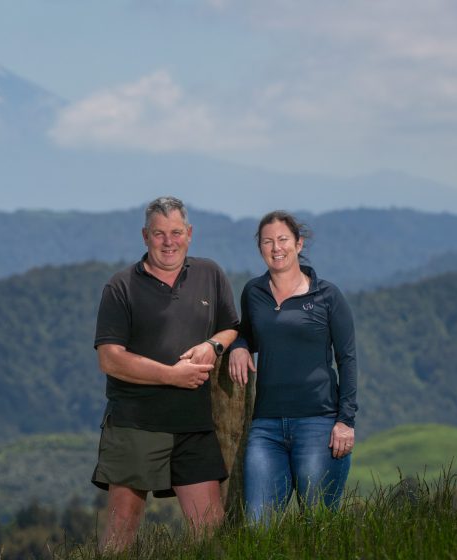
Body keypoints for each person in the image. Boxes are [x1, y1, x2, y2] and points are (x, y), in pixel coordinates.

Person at [91, 196, 240, 552]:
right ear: (145, 236)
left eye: (176, 232)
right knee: (119, 537)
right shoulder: (121, 286)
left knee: (211, 535)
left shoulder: (210, 274)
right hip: (136, 423)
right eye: (159, 234)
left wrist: (213, 346)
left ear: (189, 234)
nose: (168, 241)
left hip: (194, 424)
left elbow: (230, 326)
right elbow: (110, 360)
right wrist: (171, 376)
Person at [228, 210, 357, 524]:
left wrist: (345, 420)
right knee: (258, 527)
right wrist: (240, 347)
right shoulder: (253, 292)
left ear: (299, 244)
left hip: (318, 423)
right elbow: (248, 331)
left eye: (283, 239)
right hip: (266, 428)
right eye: (267, 241)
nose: (276, 248)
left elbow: (347, 359)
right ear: (260, 247)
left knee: (317, 525)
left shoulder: (327, 295)